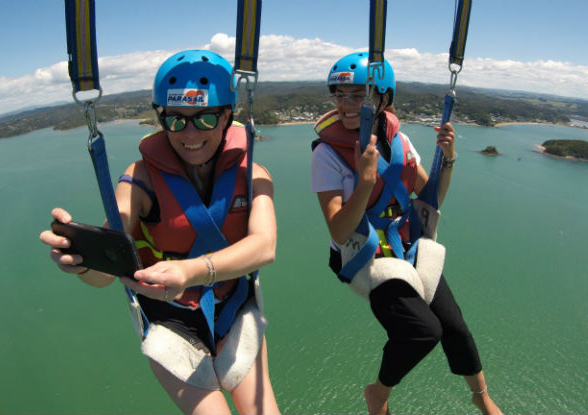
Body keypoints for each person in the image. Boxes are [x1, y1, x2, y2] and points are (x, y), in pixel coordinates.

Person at [40, 50, 280, 415]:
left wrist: (190, 272)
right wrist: (83, 260)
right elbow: (107, 270)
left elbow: (264, 246)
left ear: (228, 117)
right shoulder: (140, 180)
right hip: (170, 322)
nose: (190, 133)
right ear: (161, 118)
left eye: (205, 119)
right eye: (176, 120)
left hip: (233, 308)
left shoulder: (252, 174)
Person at [311, 52, 502, 415]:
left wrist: (448, 158)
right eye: (340, 95)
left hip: (404, 244)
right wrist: (365, 181)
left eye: (359, 96)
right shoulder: (327, 154)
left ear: (383, 99)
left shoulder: (399, 142)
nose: (348, 105)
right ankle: (378, 394)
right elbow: (338, 229)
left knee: (455, 327)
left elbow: (431, 199)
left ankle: (481, 396)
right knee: (422, 331)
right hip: (361, 252)